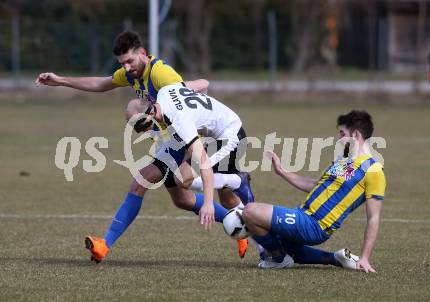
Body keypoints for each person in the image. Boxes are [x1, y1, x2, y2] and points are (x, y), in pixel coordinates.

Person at [85, 83, 256, 263]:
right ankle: (104, 245)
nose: (144, 132)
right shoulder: (164, 92)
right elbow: (200, 87)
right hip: (185, 138)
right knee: (177, 196)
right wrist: (201, 120)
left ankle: (238, 182)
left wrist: (208, 204)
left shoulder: (178, 117)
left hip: (229, 136)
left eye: (142, 125)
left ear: (151, 113)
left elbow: (204, 162)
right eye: (137, 129)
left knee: (185, 179)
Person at [243, 110, 386, 272]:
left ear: (356, 135)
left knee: (249, 211)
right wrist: (282, 172)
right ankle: (336, 259)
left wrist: (365, 257)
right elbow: (316, 186)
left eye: (342, 134)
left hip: (316, 225)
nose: (338, 139)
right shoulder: (343, 159)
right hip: (302, 215)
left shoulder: (374, 170)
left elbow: (374, 217)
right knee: (280, 243)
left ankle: (279, 259)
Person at [35, 30, 209, 103]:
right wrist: (59, 80)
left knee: (134, 107)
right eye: (122, 63)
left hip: (188, 134)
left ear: (142, 53)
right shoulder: (129, 74)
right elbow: (100, 84)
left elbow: (200, 86)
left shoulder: (160, 73)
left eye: (129, 61)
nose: (126, 67)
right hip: (168, 135)